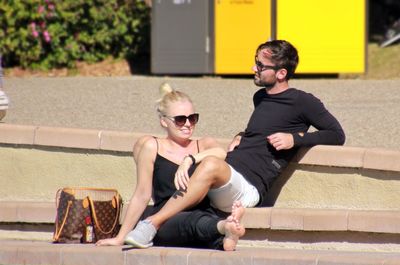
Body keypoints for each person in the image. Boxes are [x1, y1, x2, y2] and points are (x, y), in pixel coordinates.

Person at [125, 39, 346, 248]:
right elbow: (261, 131)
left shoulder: (303, 101)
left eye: (261, 65)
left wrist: (295, 139)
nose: (254, 68)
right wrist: (242, 134)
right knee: (174, 173)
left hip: (248, 187)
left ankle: (151, 224)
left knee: (210, 164)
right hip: (229, 177)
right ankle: (213, 233)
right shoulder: (261, 97)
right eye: (255, 62)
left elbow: (337, 134)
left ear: (281, 73)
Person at [96, 83, 245, 251]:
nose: (188, 124)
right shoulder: (152, 147)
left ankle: (226, 231)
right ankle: (225, 228)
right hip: (165, 218)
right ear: (164, 121)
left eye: (193, 118)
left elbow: (220, 153)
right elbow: (142, 195)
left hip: (201, 212)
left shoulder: (202, 144)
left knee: (200, 220)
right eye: (180, 119)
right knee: (185, 223)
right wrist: (120, 237)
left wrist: (189, 160)